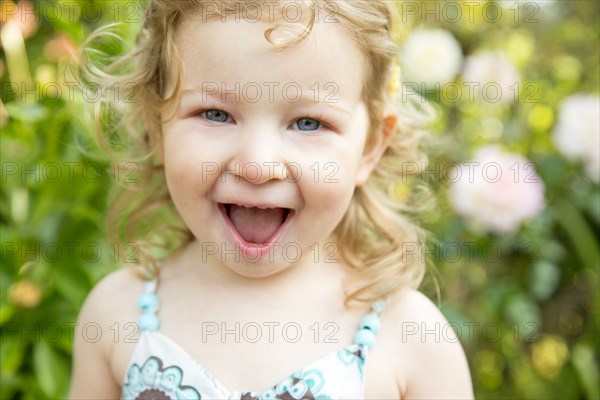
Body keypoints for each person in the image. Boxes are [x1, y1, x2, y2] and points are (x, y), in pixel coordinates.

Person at [70, 1, 473, 398]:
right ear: (156, 127)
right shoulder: (116, 316)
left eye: (309, 123)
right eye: (215, 114)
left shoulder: (411, 339)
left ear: (371, 147)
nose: (258, 165)